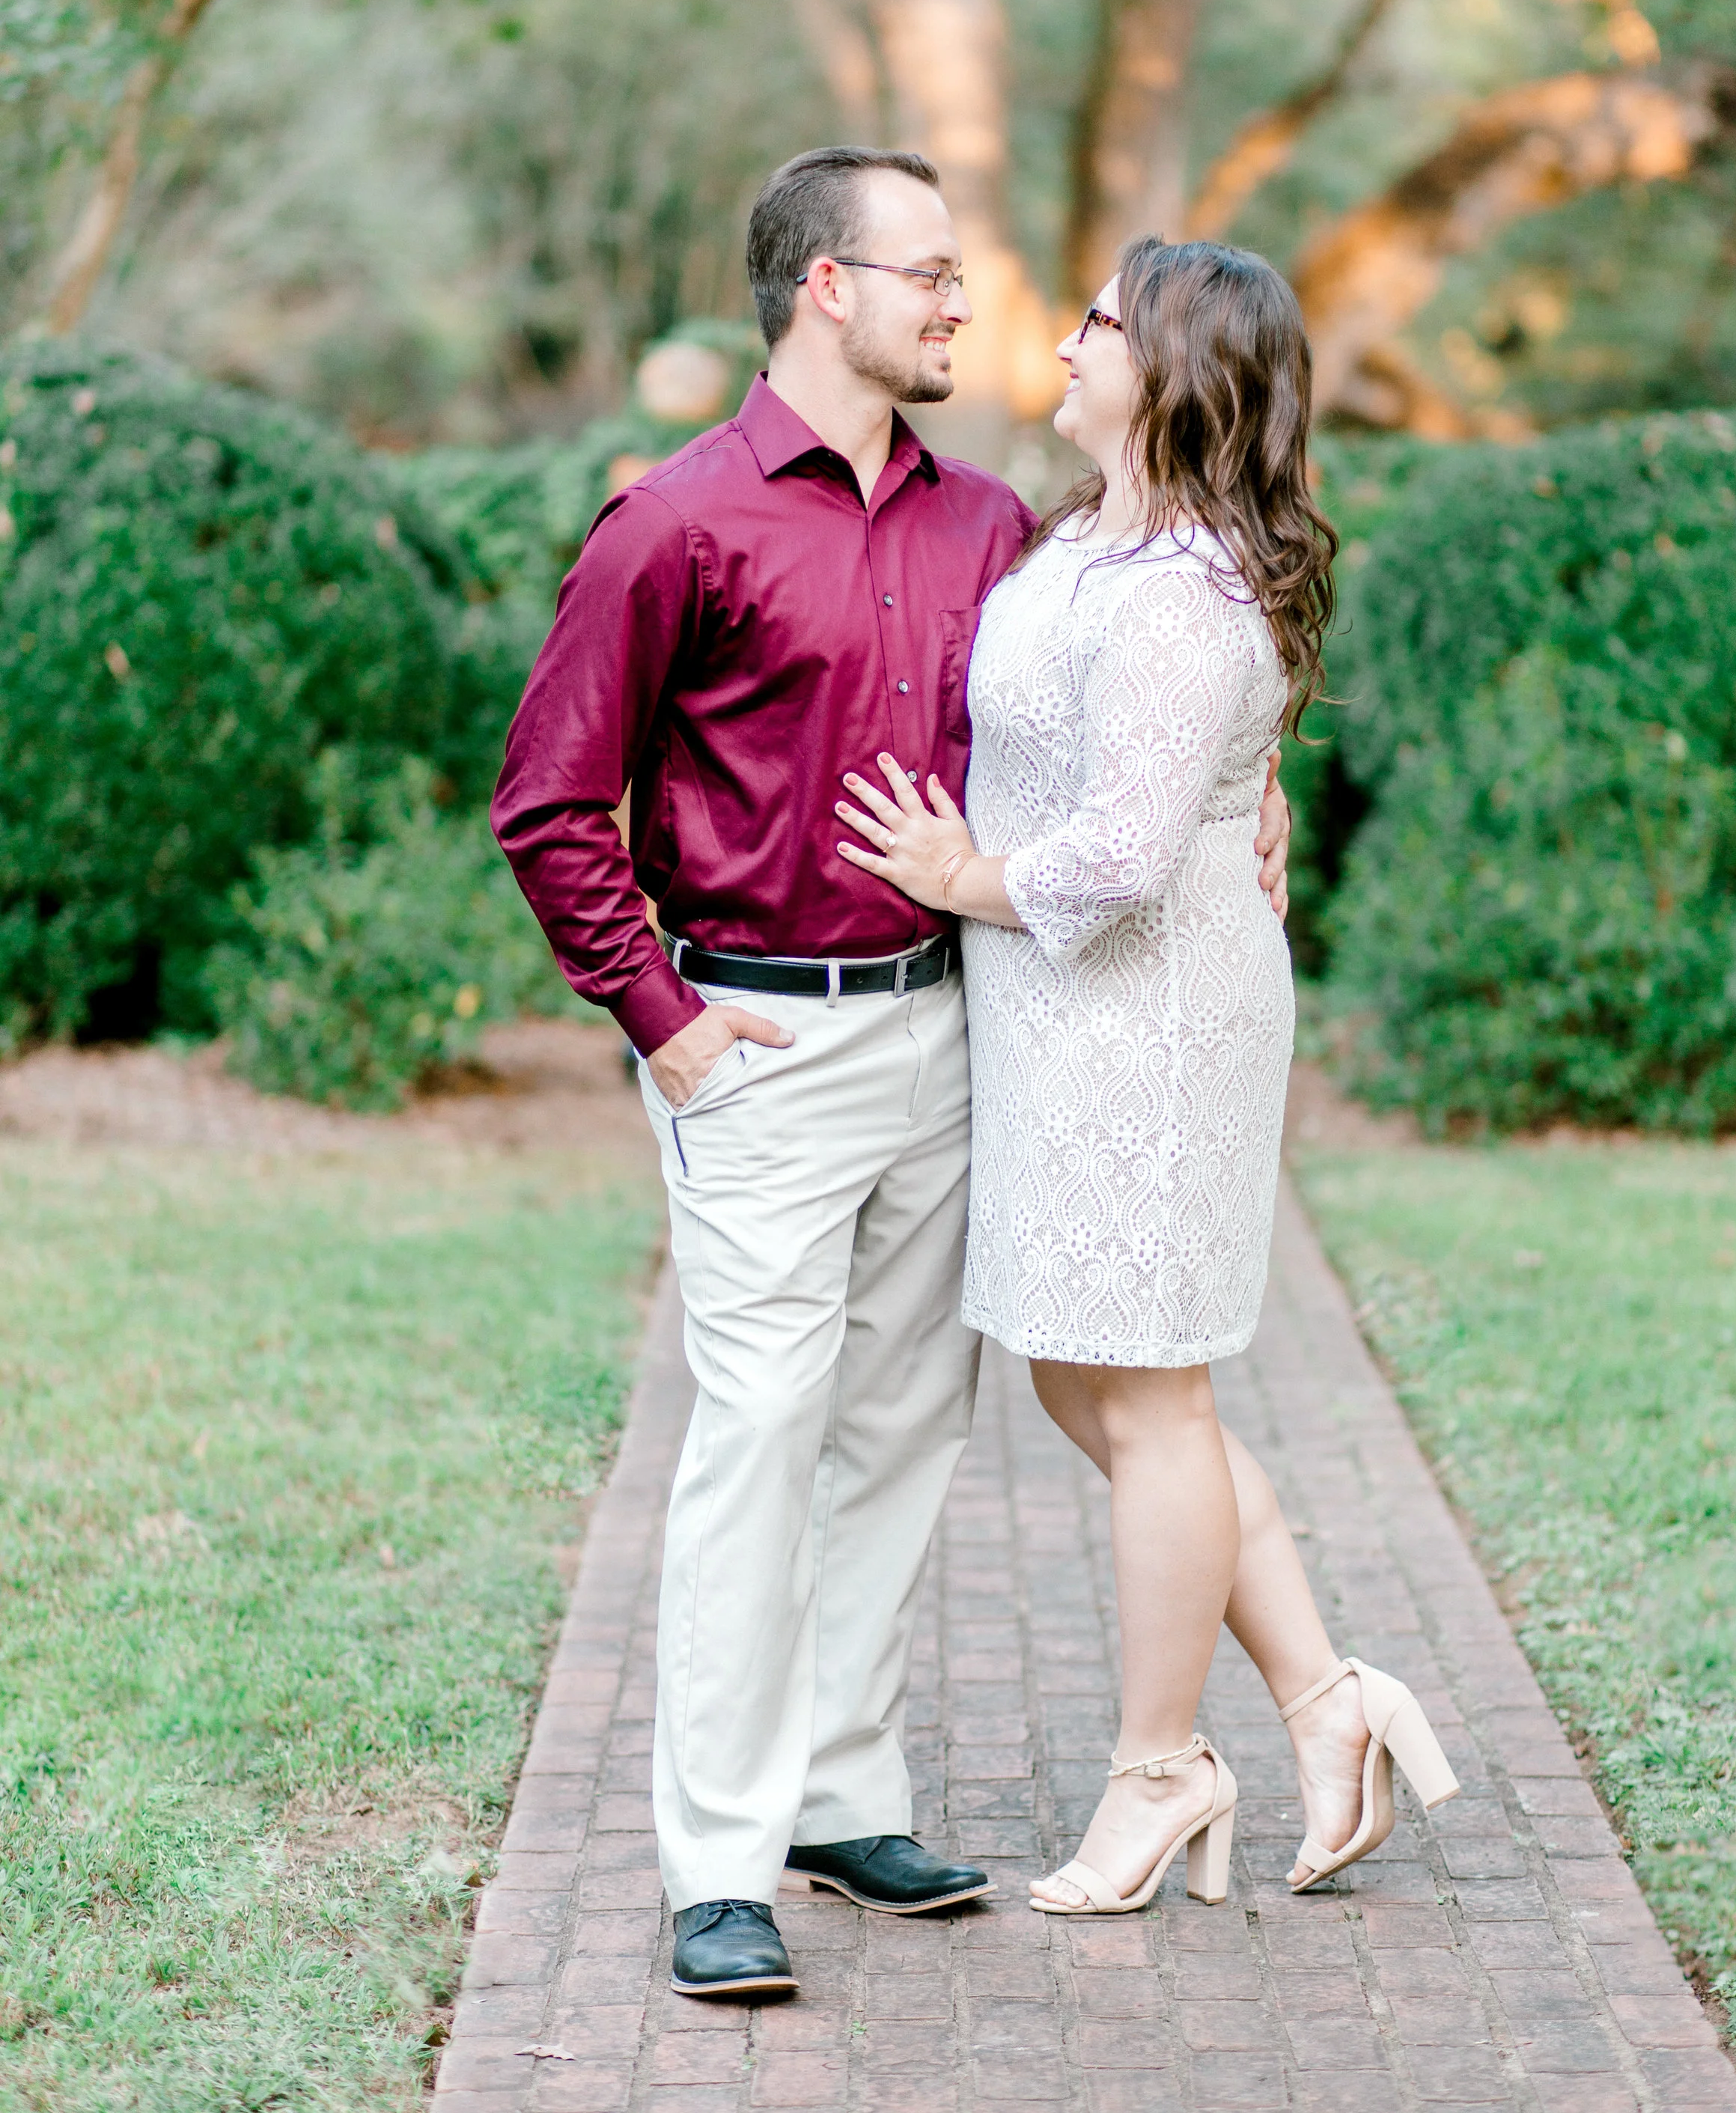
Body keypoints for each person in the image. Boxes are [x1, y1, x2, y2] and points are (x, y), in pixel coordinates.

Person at [492, 149, 1295, 1997]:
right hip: (752, 1042)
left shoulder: (990, 530)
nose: (962, 303)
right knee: (759, 1438)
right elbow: (547, 807)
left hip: (955, 1028)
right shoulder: (669, 528)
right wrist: (668, 1025)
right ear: (824, 290)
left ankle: (840, 1799)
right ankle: (715, 1864)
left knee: (903, 1433)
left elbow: (1156, 674)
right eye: (927, 273)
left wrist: (1260, 780)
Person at [832, 235, 1458, 1914]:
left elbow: (1110, 851)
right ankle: (1333, 1700)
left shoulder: (1185, 592)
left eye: (1100, 320)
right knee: (1076, 1379)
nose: (1066, 335)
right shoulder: (1081, 541)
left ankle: (1160, 1767)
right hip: (1062, 1013)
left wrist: (956, 875)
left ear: (1171, 368)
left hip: (1150, 1016)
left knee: (1152, 1389)